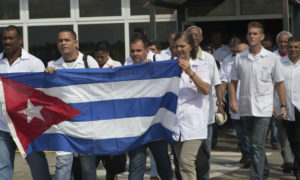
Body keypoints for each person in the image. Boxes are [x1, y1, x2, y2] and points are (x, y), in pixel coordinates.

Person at [229, 21, 287, 180]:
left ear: (261, 36)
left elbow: (279, 83)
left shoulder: (271, 58)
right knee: (257, 146)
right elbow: (233, 82)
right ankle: (265, 169)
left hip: (264, 108)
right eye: (249, 33)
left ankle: (256, 177)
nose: (252, 36)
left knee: (256, 144)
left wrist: (282, 105)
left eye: (255, 33)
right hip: (246, 107)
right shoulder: (240, 57)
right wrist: (233, 100)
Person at [45, 28, 99, 180]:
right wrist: (47, 76)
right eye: (60, 40)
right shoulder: (52, 65)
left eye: (67, 40)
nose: (63, 43)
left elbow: (102, 87)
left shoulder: (89, 62)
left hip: (85, 124)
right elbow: (47, 93)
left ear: (75, 43)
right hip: (63, 125)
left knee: (88, 167)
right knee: (63, 165)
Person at [0, 25, 52, 180]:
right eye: (5, 38)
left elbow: (42, 93)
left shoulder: (34, 63)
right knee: (3, 167)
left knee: (38, 165)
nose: (7, 41)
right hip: (2, 124)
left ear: (20, 40)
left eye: (11, 38)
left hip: (27, 125)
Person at [127, 35, 173, 180]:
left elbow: (171, 72)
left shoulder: (159, 60)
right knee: (136, 165)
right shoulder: (126, 64)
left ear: (147, 51)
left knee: (162, 163)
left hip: (155, 123)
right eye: (132, 51)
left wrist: (152, 69)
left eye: (138, 50)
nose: (135, 54)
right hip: (136, 125)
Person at [186, 25, 225, 180]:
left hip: (205, 115)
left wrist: (220, 104)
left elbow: (218, 84)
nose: (194, 37)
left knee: (204, 152)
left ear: (201, 38)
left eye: (196, 35)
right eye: (190, 35)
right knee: (186, 156)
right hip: (186, 116)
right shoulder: (181, 57)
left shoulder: (209, 59)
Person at [172, 31, 210, 180]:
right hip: (176, 124)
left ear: (190, 46)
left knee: (186, 162)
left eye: (182, 46)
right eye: (176, 46)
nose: (179, 49)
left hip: (194, 124)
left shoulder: (201, 65)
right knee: (180, 164)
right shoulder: (170, 66)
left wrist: (190, 71)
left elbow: (206, 89)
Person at [221, 40, 251, 168]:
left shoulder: (252, 61)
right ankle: (245, 153)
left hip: (249, 103)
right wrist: (220, 101)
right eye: (236, 51)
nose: (238, 54)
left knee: (248, 132)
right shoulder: (227, 61)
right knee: (240, 133)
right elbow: (223, 82)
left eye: (242, 51)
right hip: (234, 104)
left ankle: (249, 155)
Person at [274, 36, 300, 180]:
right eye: (291, 47)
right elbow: (273, 85)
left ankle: (298, 169)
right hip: (285, 108)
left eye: (296, 47)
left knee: (297, 139)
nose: (293, 50)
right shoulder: (279, 64)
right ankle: (296, 165)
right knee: (290, 139)